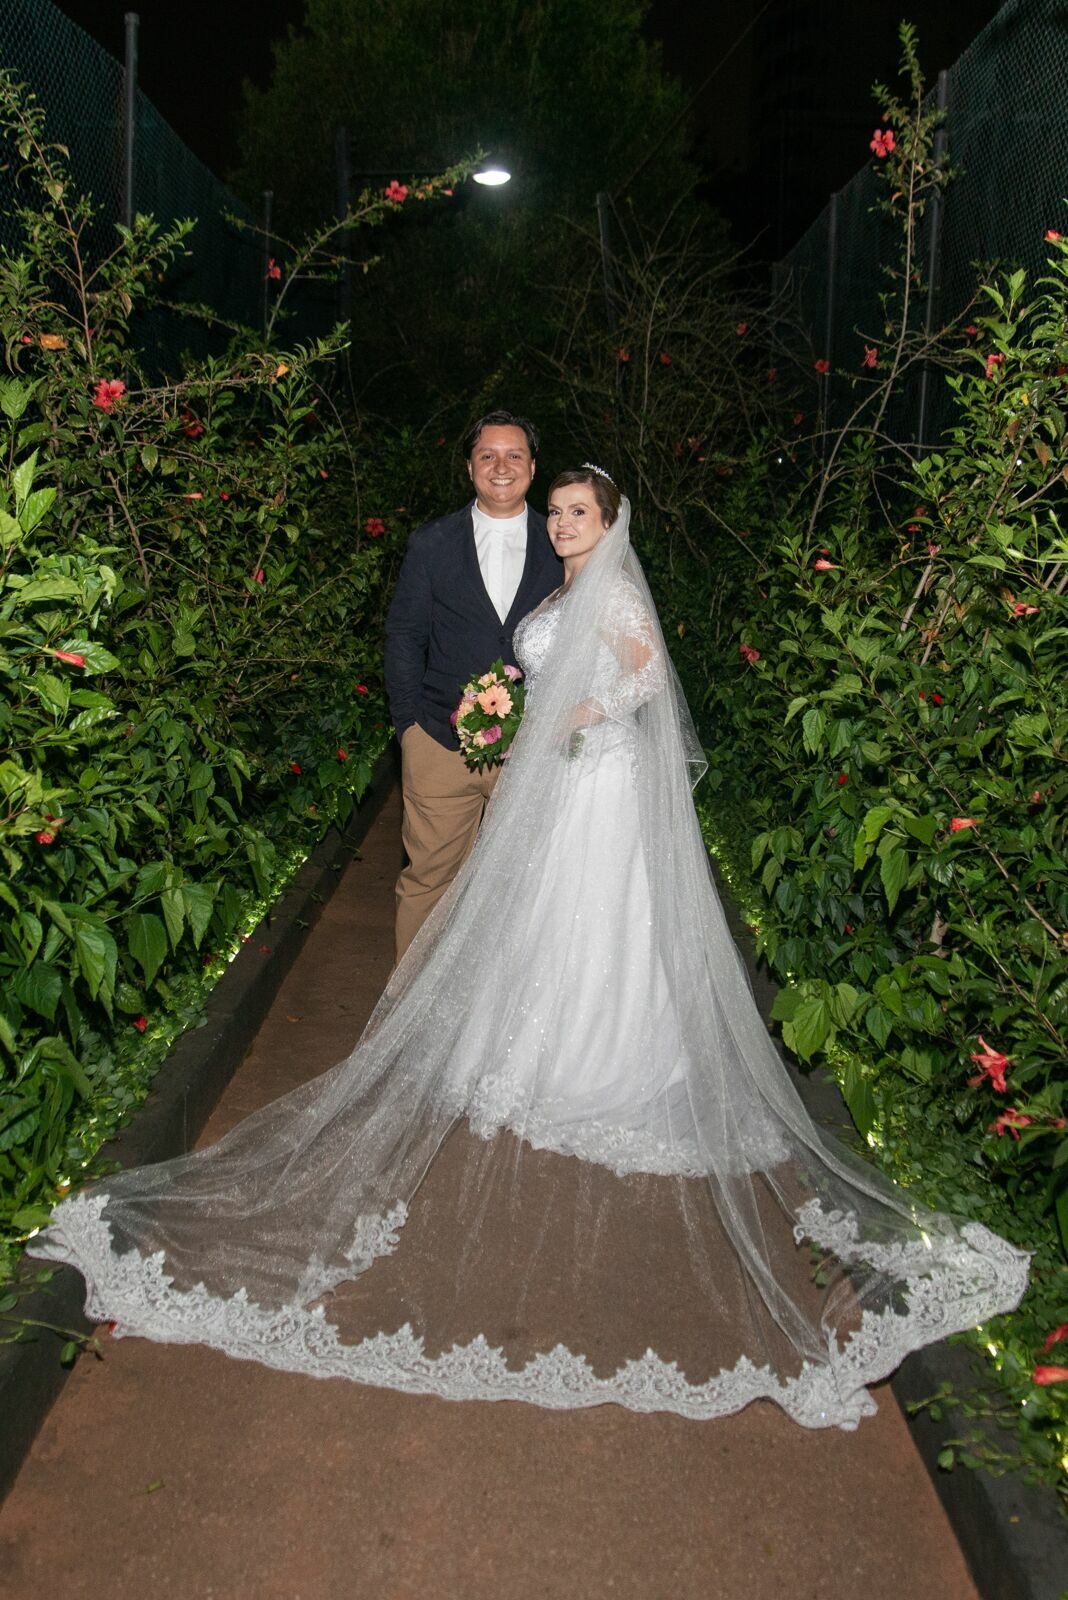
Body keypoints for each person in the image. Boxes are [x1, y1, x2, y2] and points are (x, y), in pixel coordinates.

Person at [29, 468, 1028, 1431]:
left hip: (596, 791)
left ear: (610, 519)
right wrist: (509, 716)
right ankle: (528, 1050)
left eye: (576, 510)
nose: (561, 522)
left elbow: (646, 683)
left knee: (594, 923)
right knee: (531, 924)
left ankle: (597, 1058)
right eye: (555, 510)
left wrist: (576, 715)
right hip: (552, 786)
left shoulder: (619, 591)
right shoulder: (567, 586)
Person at [384, 410, 561, 963]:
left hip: (534, 751)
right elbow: (404, 637)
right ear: (469, 467)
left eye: (514, 455)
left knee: (527, 887)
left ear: (533, 466)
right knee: (428, 880)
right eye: (488, 455)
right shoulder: (432, 543)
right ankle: (406, 1017)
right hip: (440, 743)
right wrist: (409, 726)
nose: (501, 466)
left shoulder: (564, 542)